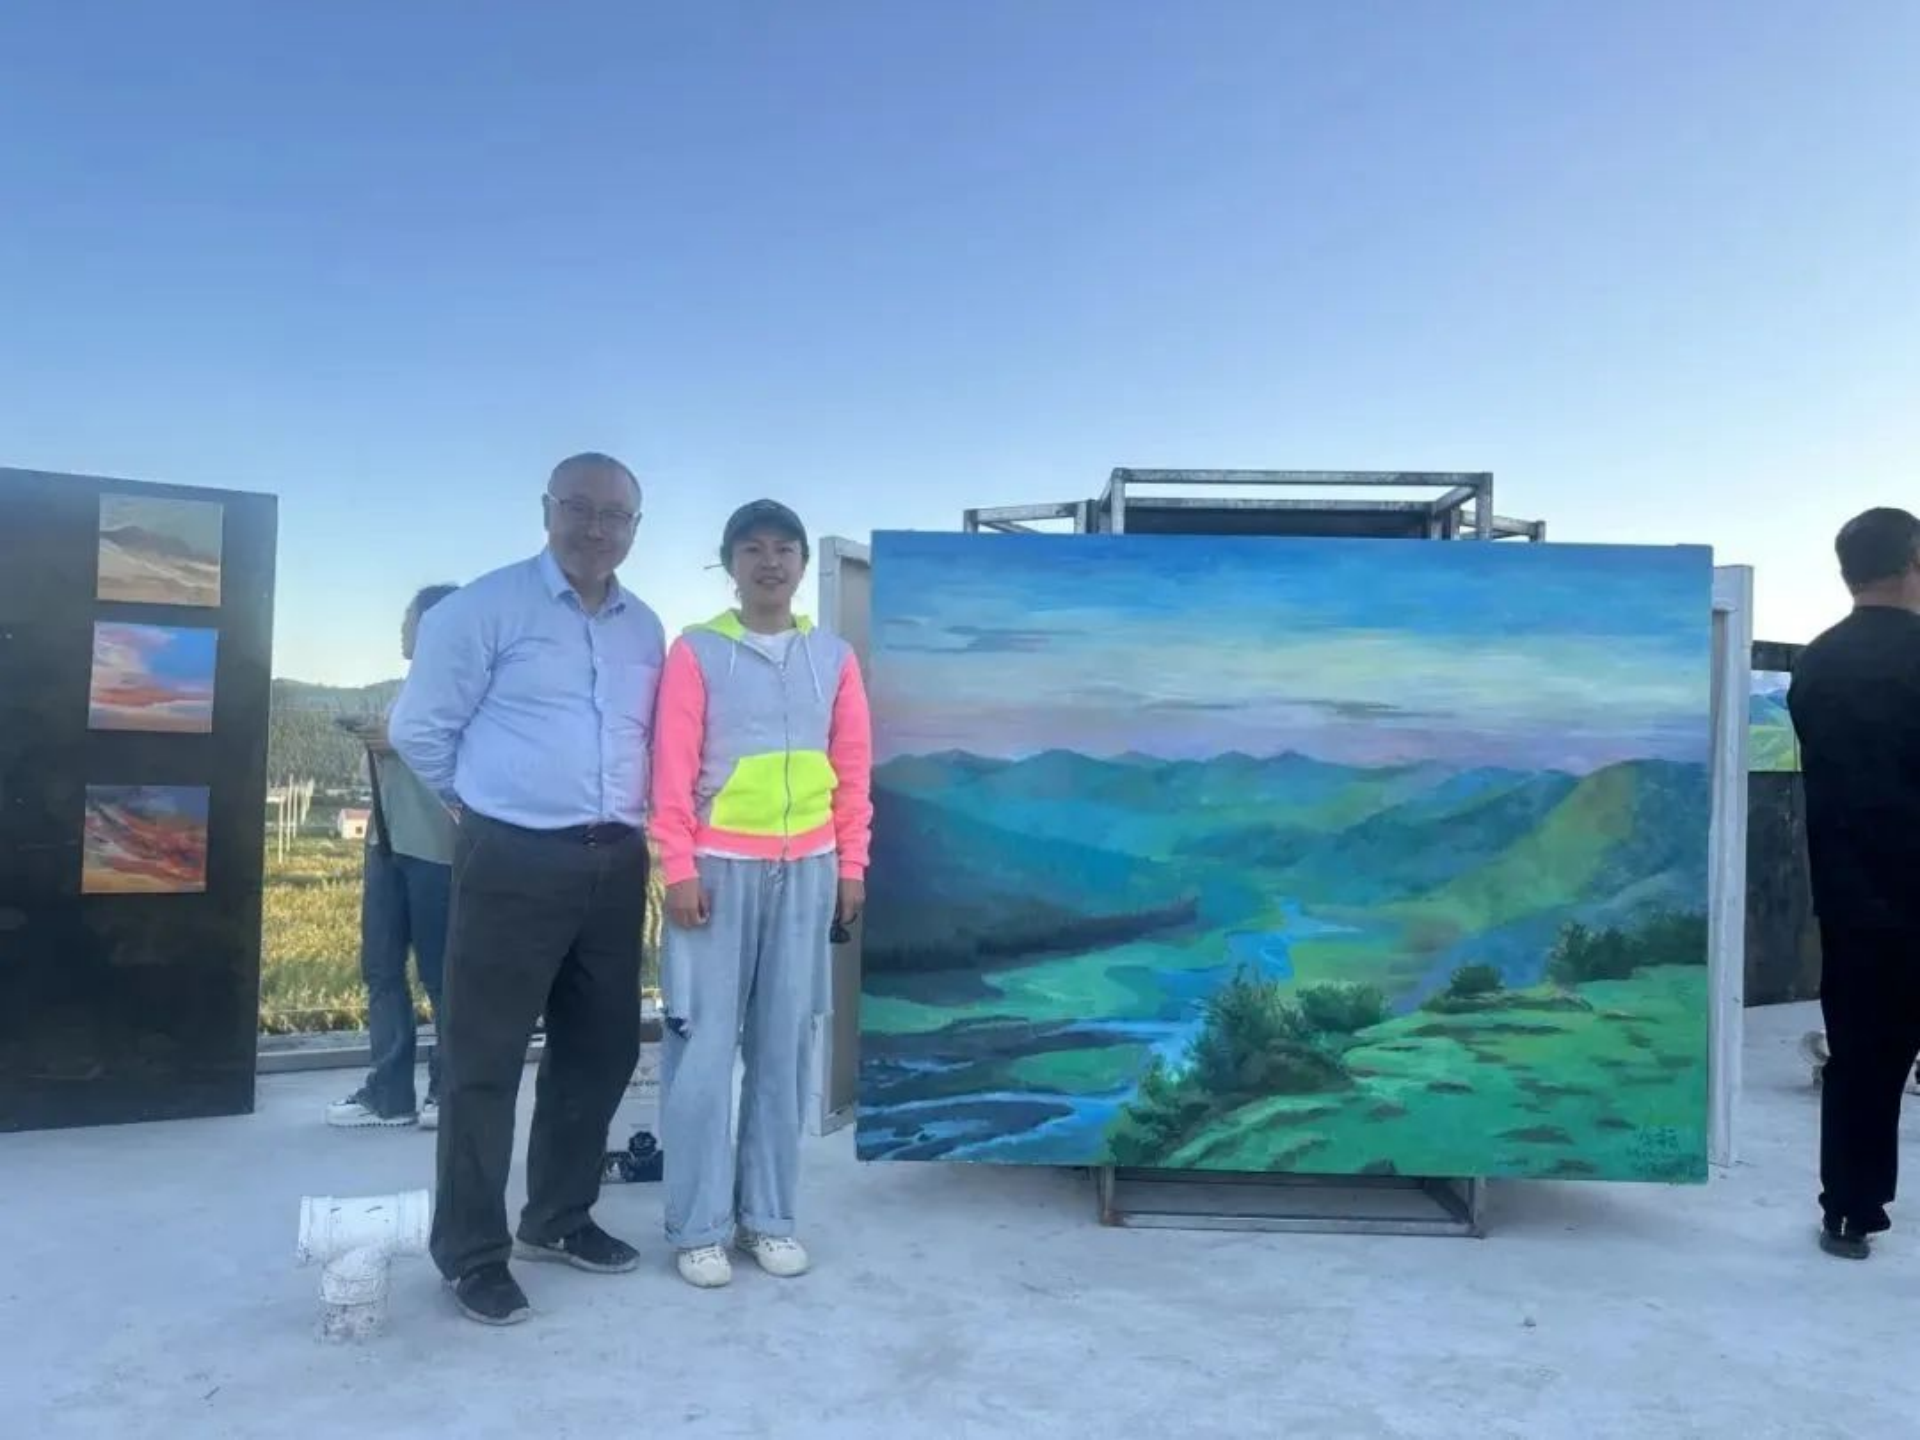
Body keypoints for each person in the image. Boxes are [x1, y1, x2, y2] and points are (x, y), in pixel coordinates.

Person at [389, 453, 664, 1325]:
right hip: (511, 859)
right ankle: (472, 1253)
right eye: (579, 508)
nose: (595, 528)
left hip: (616, 861)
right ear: (547, 510)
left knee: (602, 1050)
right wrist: (480, 810)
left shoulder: (645, 627)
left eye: (614, 515)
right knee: (484, 1060)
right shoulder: (482, 610)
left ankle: (559, 1217)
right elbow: (418, 730)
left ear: (635, 528)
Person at [649, 499, 872, 1289]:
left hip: (808, 870)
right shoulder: (697, 652)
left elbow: (852, 772)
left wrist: (851, 866)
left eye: (784, 549)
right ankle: (698, 1228)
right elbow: (670, 772)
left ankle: (768, 1219)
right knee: (703, 1053)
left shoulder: (832, 658)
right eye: (752, 549)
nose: (769, 562)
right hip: (715, 873)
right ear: (729, 564)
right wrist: (677, 868)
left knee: (785, 1051)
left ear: (803, 563)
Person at [1789, 506, 1920, 1261]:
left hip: (1852, 894)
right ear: (1912, 561)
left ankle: (1849, 1213)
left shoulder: (1817, 661)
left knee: (1862, 1060)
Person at [326, 583, 460, 1131]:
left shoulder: (466, 691)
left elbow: (474, 763)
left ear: (434, 626)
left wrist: (399, 742)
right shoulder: (402, 693)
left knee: (442, 977)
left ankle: (447, 1094)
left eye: (408, 619)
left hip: (437, 850)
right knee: (381, 970)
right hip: (384, 844)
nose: (402, 629)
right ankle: (389, 1093)